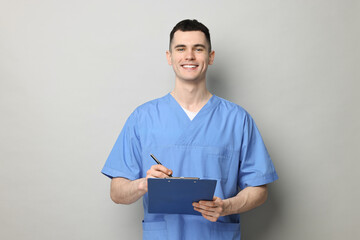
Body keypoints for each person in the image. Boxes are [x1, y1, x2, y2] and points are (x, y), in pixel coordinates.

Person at [102, 19, 278, 240]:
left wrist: (227, 207)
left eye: (198, 49)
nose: (189, 56)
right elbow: (117, 192)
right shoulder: (143, 118)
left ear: (210, 56)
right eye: (181, 48)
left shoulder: (237, 119)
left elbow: (259, 190)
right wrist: (143, 184)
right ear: (169, 57)